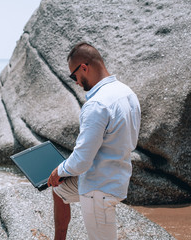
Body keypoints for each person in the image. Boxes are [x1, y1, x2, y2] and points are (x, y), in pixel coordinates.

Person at [47, 42, 141, 240]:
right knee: (59, 190)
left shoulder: (97, 104)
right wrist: (61, 176)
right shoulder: (127, 93)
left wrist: (59, 170)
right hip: (117, 177)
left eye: (74, 76)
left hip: (98, 188)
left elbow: (82, 160)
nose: (76, 82)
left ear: (84, 68)